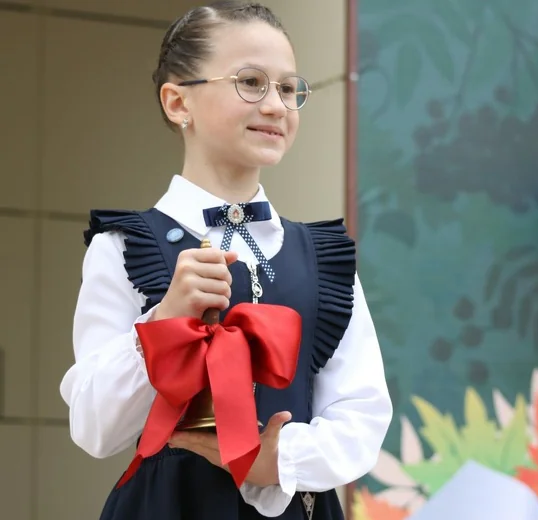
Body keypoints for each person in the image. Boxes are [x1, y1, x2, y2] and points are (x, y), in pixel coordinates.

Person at [58, 2, 393, 519]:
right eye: (251, 82)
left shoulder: (324, 258)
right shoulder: (125, 247)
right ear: (178, 102)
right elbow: (94, 427)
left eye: (288, 89)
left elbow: (362, 413)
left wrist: (276, 460)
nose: (276, 105)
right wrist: (166, 320)